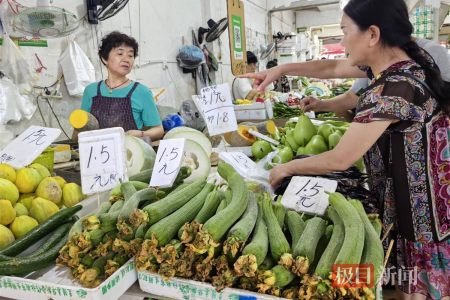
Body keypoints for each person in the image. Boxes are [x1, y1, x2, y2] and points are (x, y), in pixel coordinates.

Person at [241, 0, 450, 299]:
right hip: (410, 202)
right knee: (397, 280)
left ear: (373, 35)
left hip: (420, 215)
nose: (340, 42)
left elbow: (342, 158)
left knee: (418, 289)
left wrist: (287, 168)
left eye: (343, 31)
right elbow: (330, 66)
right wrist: (280, 69)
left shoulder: (394, 88)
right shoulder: (400, 67)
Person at [72, 31, 163, 141]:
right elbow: (79, 130)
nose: (126, 59)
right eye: (120, 54)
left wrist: (142, 134)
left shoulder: (142, 92)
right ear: (104, 58)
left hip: (130, 153)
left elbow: (158, 130)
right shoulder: (91, 90)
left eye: (130, 55)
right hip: (97, 153)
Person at [334, 38, 450, 122]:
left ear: (374, 35)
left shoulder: (396, 83)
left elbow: (346, 152)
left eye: (346, 32)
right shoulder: (388, 75)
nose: (342, 42)